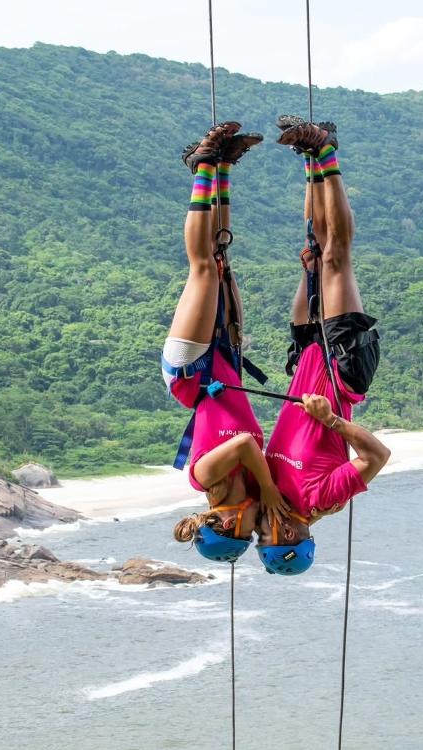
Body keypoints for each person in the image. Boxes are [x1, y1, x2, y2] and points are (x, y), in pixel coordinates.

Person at [257, 117, 391, 575]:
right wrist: (331, 420)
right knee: (336, 256)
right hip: (340, 375)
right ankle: (327, 149)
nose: (263, 532)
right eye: (268, 539)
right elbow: (378, 457)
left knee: (315, 251)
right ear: (291, 537)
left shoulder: (268, 492)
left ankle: (310, 157)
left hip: (307, 362)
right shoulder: (322, 500)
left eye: (261, 539)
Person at [163, 121, 287, 563]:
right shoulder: (252, 483)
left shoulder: (203, 476)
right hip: (225, 365)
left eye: (248, 533)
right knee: (220, 258)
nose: (257, 530)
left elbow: (241, 446)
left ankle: (201, 165)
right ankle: (223, 166)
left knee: (203, 269)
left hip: (191, 371)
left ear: (229, 521)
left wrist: (267, 489)